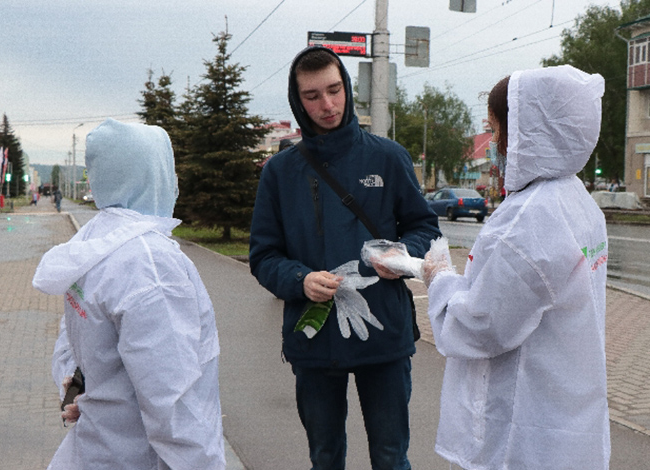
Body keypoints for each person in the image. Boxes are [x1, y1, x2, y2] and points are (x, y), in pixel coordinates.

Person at [249, 46, 440, 470]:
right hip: (314, 336)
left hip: (383, 333)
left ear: (348, 89)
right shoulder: (280, 172)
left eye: (334, 90)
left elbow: (425, 227)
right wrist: (299, 279)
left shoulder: (388, 158)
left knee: (391, 457)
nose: (327, 105)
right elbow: (262, 255)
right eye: (312, 96)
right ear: (297, 101)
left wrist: (401, 255)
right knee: (325, 456)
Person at [423, 65, 611, 469]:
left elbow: (481, 327)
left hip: (525, 427)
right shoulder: (576, 200)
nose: (493, 143)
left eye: (494, 130)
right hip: (569, 411)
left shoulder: (526, 222)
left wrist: (438, 278)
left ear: (524, 131)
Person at [33, 119, 226, 469]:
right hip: (139, 457)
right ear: (154, 174)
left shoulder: (95, 243)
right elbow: (172, 402)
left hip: (96, 448)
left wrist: (76, 387)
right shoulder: (150, 265)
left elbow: (77, 342)